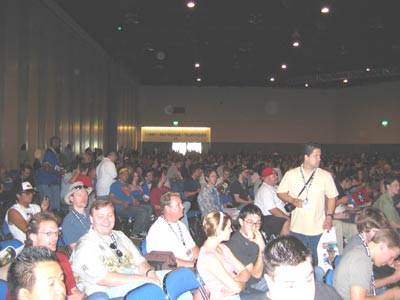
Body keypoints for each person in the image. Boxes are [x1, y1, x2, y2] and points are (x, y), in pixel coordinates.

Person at [70, 199, 161, 299]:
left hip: (134, 279)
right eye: (100, 216)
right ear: (91, 219)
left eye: (110, 215)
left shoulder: (120, 236)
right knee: (155, 290)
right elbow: (104, 278)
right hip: (106, 291)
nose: (106, 220)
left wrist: (150, 273)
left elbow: (139, 261)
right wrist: (144, 279)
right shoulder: (85, 246)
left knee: (168, 278)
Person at [24, 212, 108, 300]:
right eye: (49, 233)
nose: (55, 238)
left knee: (100, 296)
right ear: (33, 236)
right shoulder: (23, 266)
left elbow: (73, 291)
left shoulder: (61, 259)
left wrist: (82, 295)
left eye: (56, 233)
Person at [277, 142, 337, 265]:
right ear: (306, 157)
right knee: (298, 262)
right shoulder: (291, 174)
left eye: (320, 156)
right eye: (316, 156)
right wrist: (292, 200)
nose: (319, 159)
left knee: (318, 262)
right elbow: (280, 192)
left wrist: (329, 217)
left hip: (319, 228)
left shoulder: (325, 176)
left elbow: (332, 196)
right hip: (297, 228)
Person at [263, 235, 342, 300]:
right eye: (291, 286)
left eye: (308, 280)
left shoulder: (327, 294)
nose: (304, 294)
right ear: (270, 283)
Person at [197, 211, 253, 300]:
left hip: (238, 294)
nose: (231, 230)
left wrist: (237, 281)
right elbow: (237, 288)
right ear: (219, 231)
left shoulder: (223, 247)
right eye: (228, 228)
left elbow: (246, 272)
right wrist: (240, 283)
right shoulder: (208, 257)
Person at [334, 228, 400, 300]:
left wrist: (392, 279)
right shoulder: (361, 261)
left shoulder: (362, 252)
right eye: (391, 257)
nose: (390, 262)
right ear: (382, 246)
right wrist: (391, 295)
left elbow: (365, 285)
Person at [146, 192, 199, 268]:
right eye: (178, 205)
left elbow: (193, 247)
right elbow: (168, 260)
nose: (182, 207)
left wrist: (202, 260)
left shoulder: (180, 224)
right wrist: (195, 266)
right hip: (177, 270)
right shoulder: (158, 230)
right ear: (167, 208)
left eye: (181, 203)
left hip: (191, 264)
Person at [226, 204, 267, 293]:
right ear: (241, 222)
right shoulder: (235, 244)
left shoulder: (257, 235)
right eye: (250, 222)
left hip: (268, 273)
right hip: (254, 283)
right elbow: (256, 275)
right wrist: (262, 249)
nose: (255, 226)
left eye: (258, 222)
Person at [109, 168, 152, 238]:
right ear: (120, 175)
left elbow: (130, 196)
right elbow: (111, 198)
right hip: (121, 208)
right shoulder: (115, 185)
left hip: (130, 205)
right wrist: (122, 202)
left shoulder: (126, 185)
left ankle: (142, 229)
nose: (126, 176)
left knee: (149, 208)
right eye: (124, 174)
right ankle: (134, 232)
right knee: (142, 212)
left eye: (127, 175)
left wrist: (135, 200)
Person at [254, 168, 290, 236]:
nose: (277, 177)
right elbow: (272, 210)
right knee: (286, 222)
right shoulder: (265, 190)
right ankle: (284, 243)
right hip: (267, 218)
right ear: (266, 178)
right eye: (273, 175)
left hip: (276, 215)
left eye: (276, 175)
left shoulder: (275, 187)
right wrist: (287, 218)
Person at [61, 181, 93, 249]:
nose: (84, 198)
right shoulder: (68, 221)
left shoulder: (93, 214)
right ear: (71, 198)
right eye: (79, 195)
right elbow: (75, 248)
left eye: (85, 195)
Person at [36, 136, 63, 211]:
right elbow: (47, 169)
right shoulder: (49, 153)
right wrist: (58, 172)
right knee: (47, 207)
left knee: (54, 207)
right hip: (46, 184)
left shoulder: (54, 154)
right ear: (54, 143)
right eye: (58, 143)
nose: (60, 145)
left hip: (52, 183)